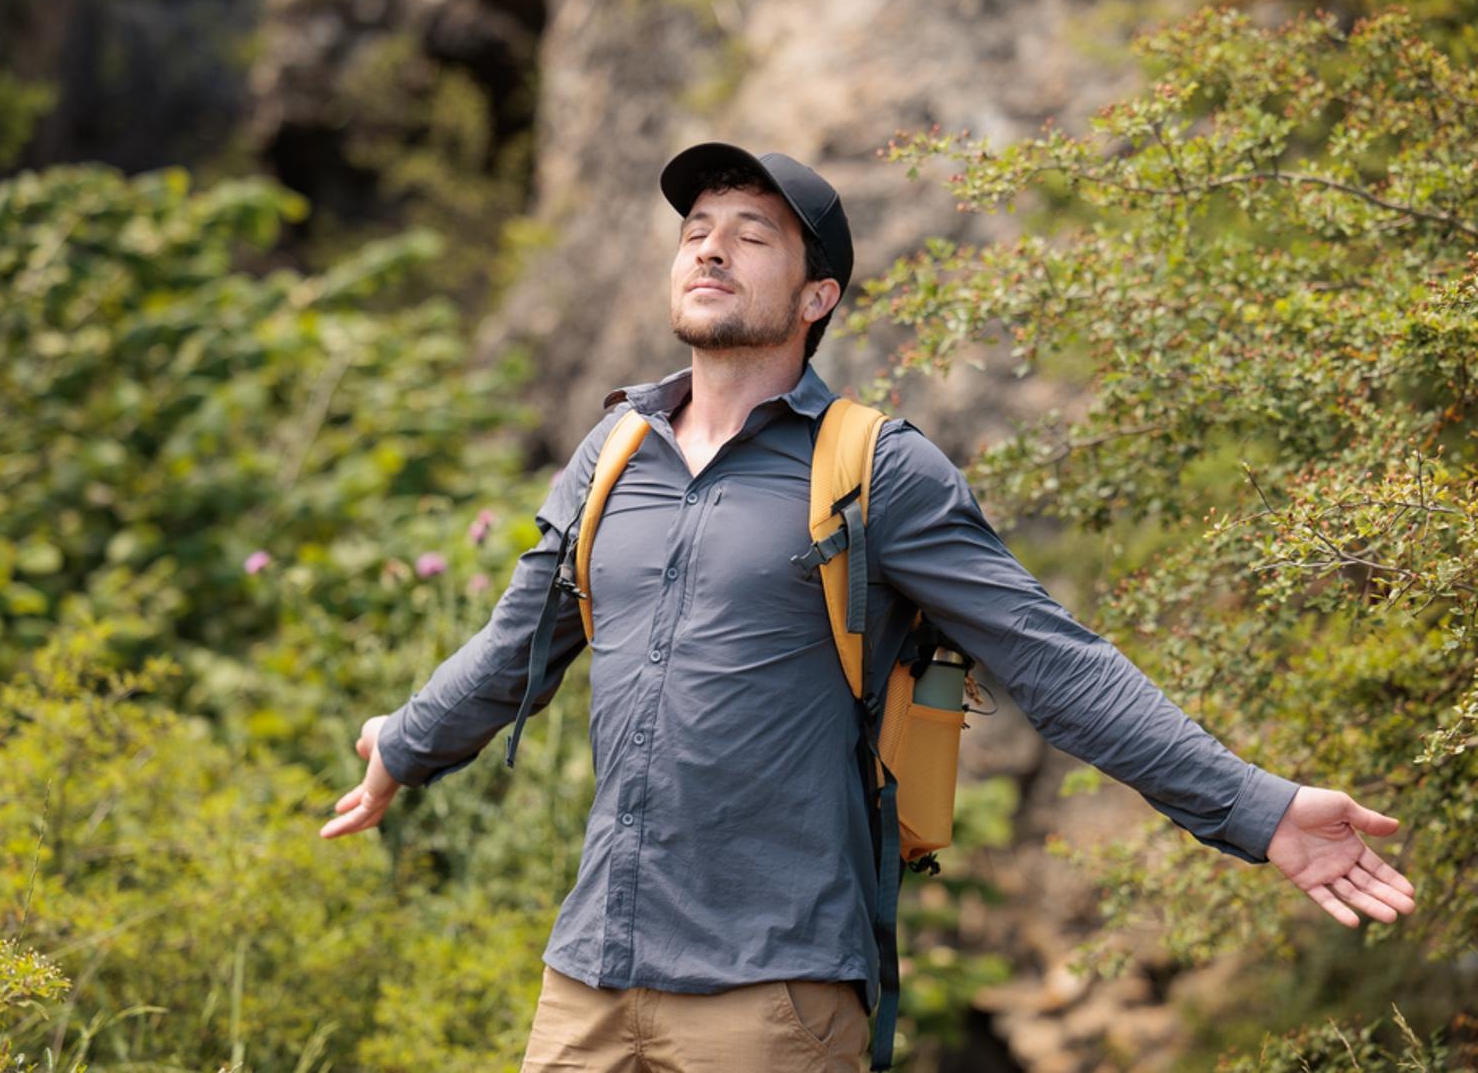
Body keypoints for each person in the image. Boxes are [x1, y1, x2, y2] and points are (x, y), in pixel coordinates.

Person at [320, 142, 1418, 1071]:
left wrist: (1258, 811)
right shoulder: (610, 458)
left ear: (815, 297)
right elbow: (518, 646)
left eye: (750, 234)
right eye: (696, 226)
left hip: (774, 998)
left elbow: (1056, 664)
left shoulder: (875, 471)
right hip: (588, 982)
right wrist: (402, 744)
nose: (709, 245)